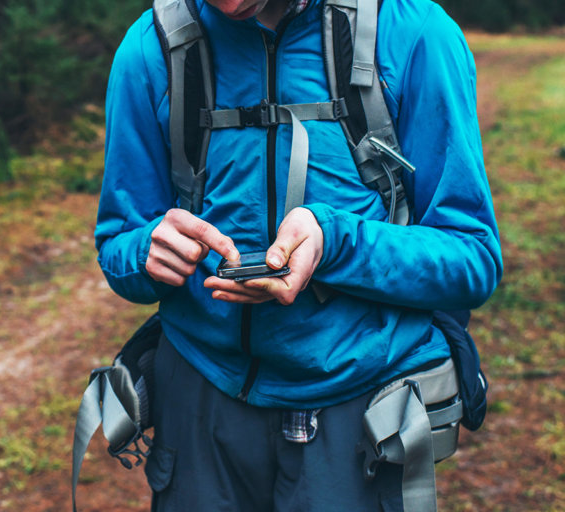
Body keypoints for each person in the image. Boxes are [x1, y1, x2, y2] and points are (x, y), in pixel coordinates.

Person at [94, 0, 503, 510]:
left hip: (357, 408)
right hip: (200, 408)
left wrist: (334, 243)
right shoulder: (154, 46)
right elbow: (118, 244)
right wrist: (146, 251)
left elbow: (472, 257)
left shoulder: (413, 34)